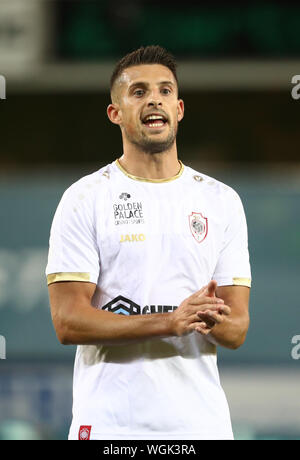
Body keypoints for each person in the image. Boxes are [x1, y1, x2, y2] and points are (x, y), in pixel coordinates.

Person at [46, 45, 251, 441]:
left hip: (200, 428)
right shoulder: (85, 198)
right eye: (138, 92)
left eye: (165, 91)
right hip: (110, 426)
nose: (154, 99)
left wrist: (212, 320)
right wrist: (169, 322)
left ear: (179, 109)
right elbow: (67, 320)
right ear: (115, 113)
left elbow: (238, 329)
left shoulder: (221, 200)